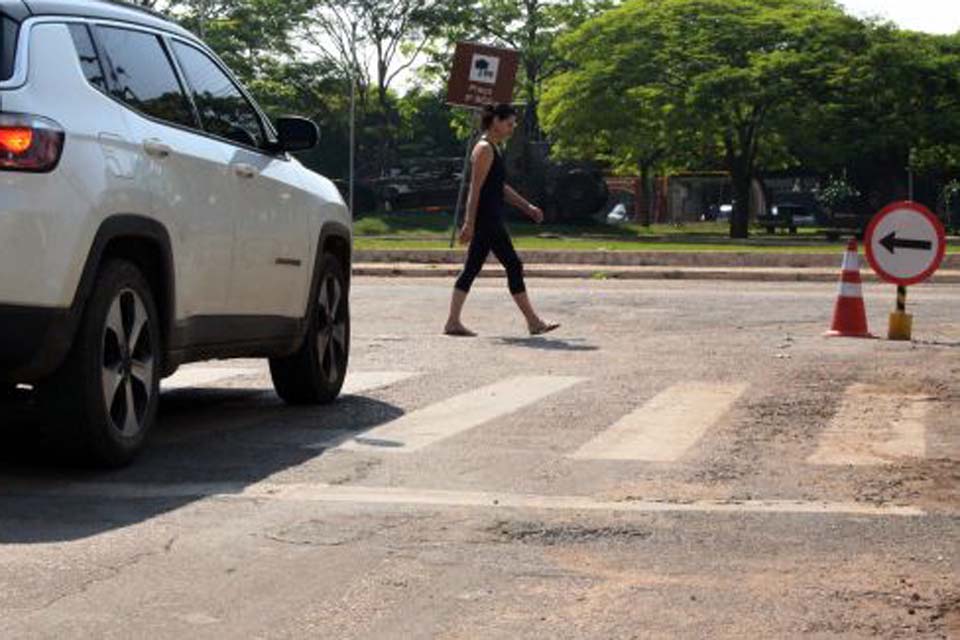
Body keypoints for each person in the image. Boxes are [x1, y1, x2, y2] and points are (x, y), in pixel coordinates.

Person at [444, 103, 559, 337]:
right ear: (495, 120)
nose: (512, 127)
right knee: (513, 264)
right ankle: (533, 321)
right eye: (509, 123)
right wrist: (469, 223)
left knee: (472, 268)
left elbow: (500, 187)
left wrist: (527, 206)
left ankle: (452, 322)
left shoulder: (494, 148)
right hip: (487, 219)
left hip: (490, 217)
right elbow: (474, 190)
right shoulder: (484, 149)